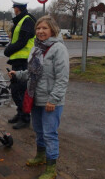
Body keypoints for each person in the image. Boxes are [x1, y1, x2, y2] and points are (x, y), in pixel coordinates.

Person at [8, 15, 69, 179]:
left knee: (50, 133)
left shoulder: (58, 49)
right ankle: (41, 156)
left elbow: (62, 79)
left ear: (53, 30)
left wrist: (53, 100)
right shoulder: (36, 48)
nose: (40, 31)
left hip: (51, 101)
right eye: (38, 28)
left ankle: (51, 168)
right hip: (35, 97)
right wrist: (18, 74)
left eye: (44, 28)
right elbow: (33, 72)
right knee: (39, 131)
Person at [4, 0, 36, 129]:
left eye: (14, 7)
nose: (13, 10)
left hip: (24, 61)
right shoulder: (20, 20)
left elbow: (22, 41)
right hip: (18, 60)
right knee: (15, 90)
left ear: (19, 8)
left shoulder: (27, 20)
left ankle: (25, 118)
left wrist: (8, 50)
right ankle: (20, 113)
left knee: (21, 90)